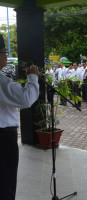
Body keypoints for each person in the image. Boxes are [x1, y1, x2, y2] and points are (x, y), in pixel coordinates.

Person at [0, 34, 40, 200]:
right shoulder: (2, 82)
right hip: (3, 139)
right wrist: (33, 76)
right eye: (3, 52)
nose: (6, 56)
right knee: (5, 183)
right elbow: (25, 99)